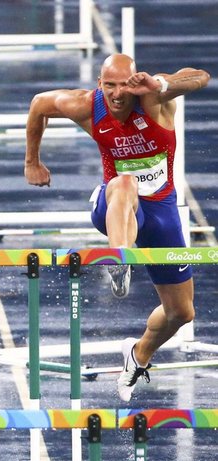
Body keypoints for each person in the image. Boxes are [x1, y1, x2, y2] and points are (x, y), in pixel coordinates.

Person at [24, 54, 210, 401]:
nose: (118, 93)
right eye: (110, 85)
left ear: (135, 81)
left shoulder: (152, 98)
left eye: (124, 84)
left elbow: (199, 76)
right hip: (115, 207)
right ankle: (119, 260)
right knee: (124, 183)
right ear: (100, 85)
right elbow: (39, 105)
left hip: (161, 211)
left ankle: (137, 355)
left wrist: (162, 84)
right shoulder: (85, 106)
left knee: (181, 312)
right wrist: (32, 161)